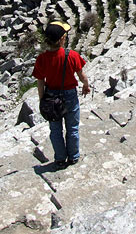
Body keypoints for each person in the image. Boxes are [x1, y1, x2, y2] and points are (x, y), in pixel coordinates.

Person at [32, 21, 90, 169]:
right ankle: (74, 157)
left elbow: (40, 82)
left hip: (51, 97)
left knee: (55, 129)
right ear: (62, 39)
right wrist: (86, 85)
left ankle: (59, 158)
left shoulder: (42, 59)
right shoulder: (72, 55)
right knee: (72, 128)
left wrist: (41, 99)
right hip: (70, 96)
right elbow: (82, 75)